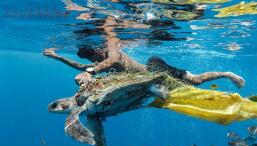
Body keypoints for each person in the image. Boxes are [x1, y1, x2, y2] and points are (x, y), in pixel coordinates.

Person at [43, 1, 245, 88]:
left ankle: (228, 74)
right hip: (149, 77)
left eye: (93, 55)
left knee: (196, 81)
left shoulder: (112, 48)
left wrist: (92, 71)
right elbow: (79, 66)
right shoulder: (95, 60)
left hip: (154, 69)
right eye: (91, 58)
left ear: (96, 49)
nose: (94, 57)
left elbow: (111, 61)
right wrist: (56, 56)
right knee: (188, 83)